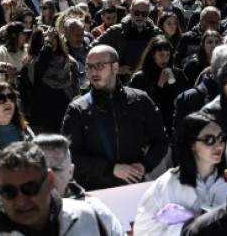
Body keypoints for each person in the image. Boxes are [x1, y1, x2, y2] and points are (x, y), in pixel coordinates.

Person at [60, 44, 169, 190]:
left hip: (133, 187)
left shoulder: (140, 100)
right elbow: (69, 156)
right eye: (89, 67)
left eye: (99, 66)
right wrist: (111, 169)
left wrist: (144, 165)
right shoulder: (77, 108)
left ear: (115, 68)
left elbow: (161, 141)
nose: (93, 72)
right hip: (95, 192)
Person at [134, 112, 227, 236]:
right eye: (209, 140)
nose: (218, 145)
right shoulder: (167, 185)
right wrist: (189, 226)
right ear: (191, 144)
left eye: (221, 138)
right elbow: (143, 231)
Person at [0, 142, 104, 236]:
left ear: (50, 180)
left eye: (30, 188)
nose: (21, 201)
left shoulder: (87, 216)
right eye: (9, 192)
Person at [30, 134, 125, 236]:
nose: (47, 177)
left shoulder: (96, 211)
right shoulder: (18, 213)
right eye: (40, 169)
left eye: (55, 170)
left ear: (70, 172)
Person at [129, 36, 189, 134]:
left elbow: (186, 96)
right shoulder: (141, 77)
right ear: (153, 55)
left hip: (173, 126)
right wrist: (158, 87)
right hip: (151, 128)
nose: (165, 58)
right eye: (161, 55)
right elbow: (139, 106)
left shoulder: (178, 75)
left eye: (168, 54)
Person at [93, 0, 163, 76]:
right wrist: (112, 68)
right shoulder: (116, 31)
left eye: (144, 13)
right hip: (122, 81)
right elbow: (93, 49)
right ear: (131, 11)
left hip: (147, 80)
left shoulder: (156, 33)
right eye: (137, 13)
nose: (140, 16)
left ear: (148, 13)